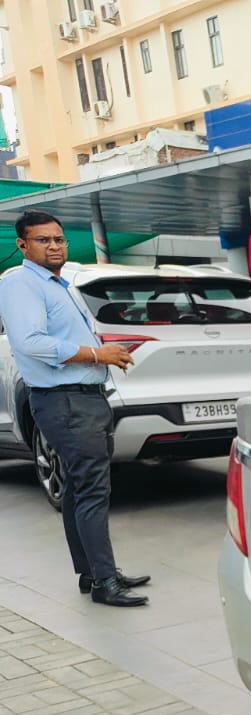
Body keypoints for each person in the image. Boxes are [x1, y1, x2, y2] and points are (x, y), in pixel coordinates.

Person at [0, 210, 149, 607]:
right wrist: (95, 353)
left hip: (83, 398)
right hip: (64, 401)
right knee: (92, 489)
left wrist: (104, 352)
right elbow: (31, 342)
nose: (54, 246)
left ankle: (94, 572)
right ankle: (104, 582)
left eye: (59, 239)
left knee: (78, 488)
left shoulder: (58, 285)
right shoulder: (21, 284)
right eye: (43, 240)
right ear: (22, 245)